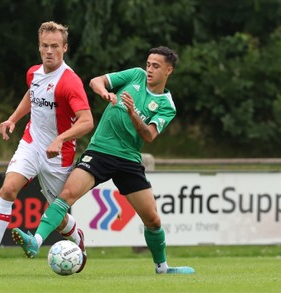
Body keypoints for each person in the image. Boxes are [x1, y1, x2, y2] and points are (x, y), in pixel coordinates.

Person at [12, 46, 195, 274]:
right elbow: (96, 81)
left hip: (128, 159)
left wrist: (132, 113)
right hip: (100, 151)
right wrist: (104, 92)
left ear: (169, 70)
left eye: (156, 66)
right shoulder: (136, 75)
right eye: (148, 64)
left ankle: (162, 268)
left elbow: (148, 136)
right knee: (67, 195)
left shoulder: (167, 105)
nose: (149, 69)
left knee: (153, 220)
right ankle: (36, 241)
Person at [0, 21, 94, 273]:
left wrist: (60, 139)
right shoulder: (33, 73)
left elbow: (87, 121)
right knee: (8, 188)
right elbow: (32, 94)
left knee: (58, 217)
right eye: (44, 46)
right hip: (31, 143)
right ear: (39, 47)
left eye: (55, 46)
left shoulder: (70, 82)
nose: (49, 51)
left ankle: (77, 238)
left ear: (65, 48)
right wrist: (13, 119)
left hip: (59, 155)